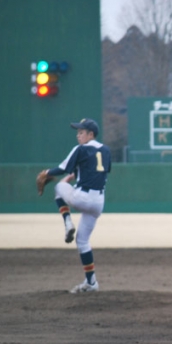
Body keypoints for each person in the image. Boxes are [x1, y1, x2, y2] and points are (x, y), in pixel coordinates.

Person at [43, 118, 111, 294]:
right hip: (98, 202)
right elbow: (95, 171)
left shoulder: (80, 149)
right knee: (82, 241)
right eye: (78, 132)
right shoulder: (105, 150)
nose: (78, 135)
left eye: (81, 132)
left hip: (82, 197)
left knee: (58, 187)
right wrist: (73, 177)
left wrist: (45, 173)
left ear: (91, 134)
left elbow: (61, 169)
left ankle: (67, 223)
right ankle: (91, 282)